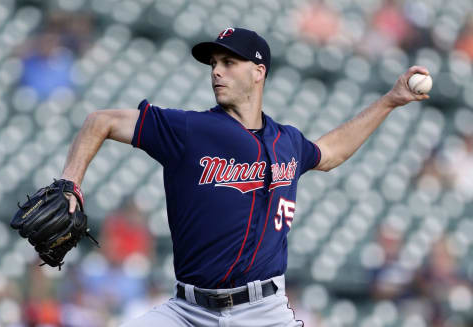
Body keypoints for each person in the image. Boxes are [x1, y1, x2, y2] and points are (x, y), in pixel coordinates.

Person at [60, 27, 430, 326]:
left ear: (258, 72)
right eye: (213, 63)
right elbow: (101, 121)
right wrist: (70, 185)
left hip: (263, 312)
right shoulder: (189, 129)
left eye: (228, 62)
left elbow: (331, 152)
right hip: (187, 312)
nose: (216, 70)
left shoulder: (288, 142)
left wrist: (389, 101)